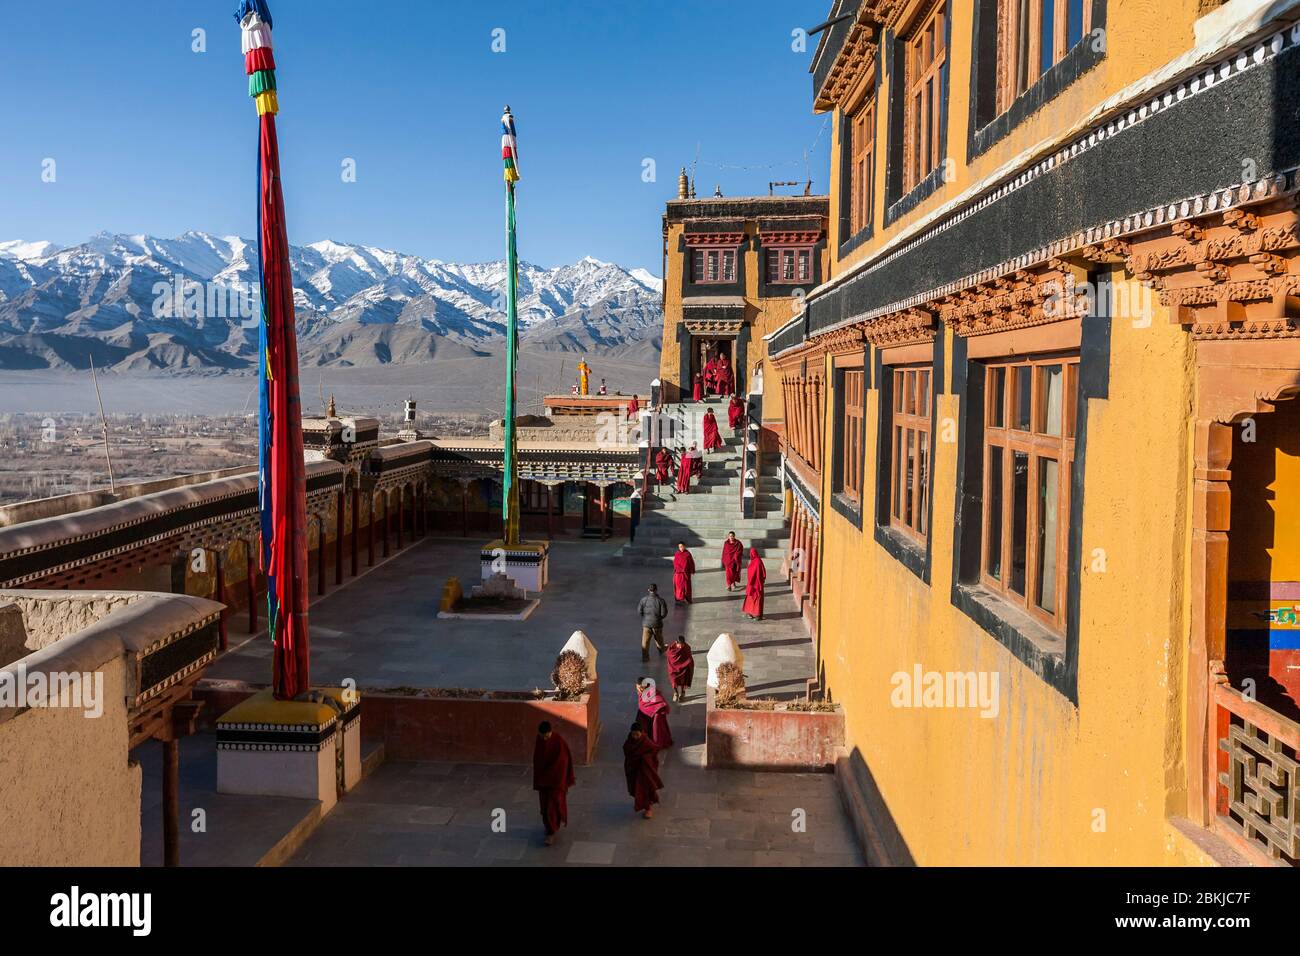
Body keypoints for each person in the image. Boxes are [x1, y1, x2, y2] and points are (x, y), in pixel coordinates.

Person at [532, 721, 575, 846]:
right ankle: (549, 827)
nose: (545, 738)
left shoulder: (558, 742)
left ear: (551, 732)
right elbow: (537, 759)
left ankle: (551, 832)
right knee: (545, 807)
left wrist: (557, 780)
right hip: (543, 781)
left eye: (547, 736)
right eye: (543, 736)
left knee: (552, 806)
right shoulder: (539, 740)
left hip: (556, 782)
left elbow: (562, 763)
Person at [623, 723, 664, 818]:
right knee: (636, 789)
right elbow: (626, 749)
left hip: (644, 771)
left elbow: (654, 750)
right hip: (633, 769)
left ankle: (648, 809)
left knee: (645, 789)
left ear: (642, 733)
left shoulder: (646, 742)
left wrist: (645, 759)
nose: (635, 736)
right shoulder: (629, 741)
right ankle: (641, 803)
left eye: (637, 734)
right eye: (633, 734)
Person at [635, 678, 673, 749]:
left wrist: (656, 711)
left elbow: (660, 701)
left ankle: (657, 744)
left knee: (657, 730)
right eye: (637, 688)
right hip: (646, 714)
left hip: (657, 715)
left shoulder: (652, 691)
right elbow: (643, 705)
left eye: (641, 688)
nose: (639, 690)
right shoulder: (641, 691)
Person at [637, 583, 668, 662]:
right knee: (659, 640)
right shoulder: (661, 601)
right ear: (656, 590)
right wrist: (658, 619)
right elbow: (663, 613)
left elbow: (639, 611)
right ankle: (662, 649)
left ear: (648, 590)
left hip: (646, 625)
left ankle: (645, 658)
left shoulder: (643, 600)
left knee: (645, 642)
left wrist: (646, 618)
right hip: (657, 624)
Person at [665, 635, 694, 703]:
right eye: (679, 645)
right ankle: (676, 693)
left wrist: (689, 664)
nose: (681, 647)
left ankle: (682, 693)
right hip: (673, 669)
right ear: (676, 643)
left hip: (684, 668)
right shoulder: (671, 650)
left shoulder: (686, 647)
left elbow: (689, 658)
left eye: (682, 645)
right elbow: (669, 657)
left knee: (683, 681)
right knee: (674, 680)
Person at [742, 546, 767, 621]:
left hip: (752, 585)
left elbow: (751, 573)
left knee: (750, 599)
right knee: (757, 599)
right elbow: (763, 573)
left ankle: (750, 613)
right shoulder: (759, 561)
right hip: (758, 585)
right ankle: (757, 615)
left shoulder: (754, 562)